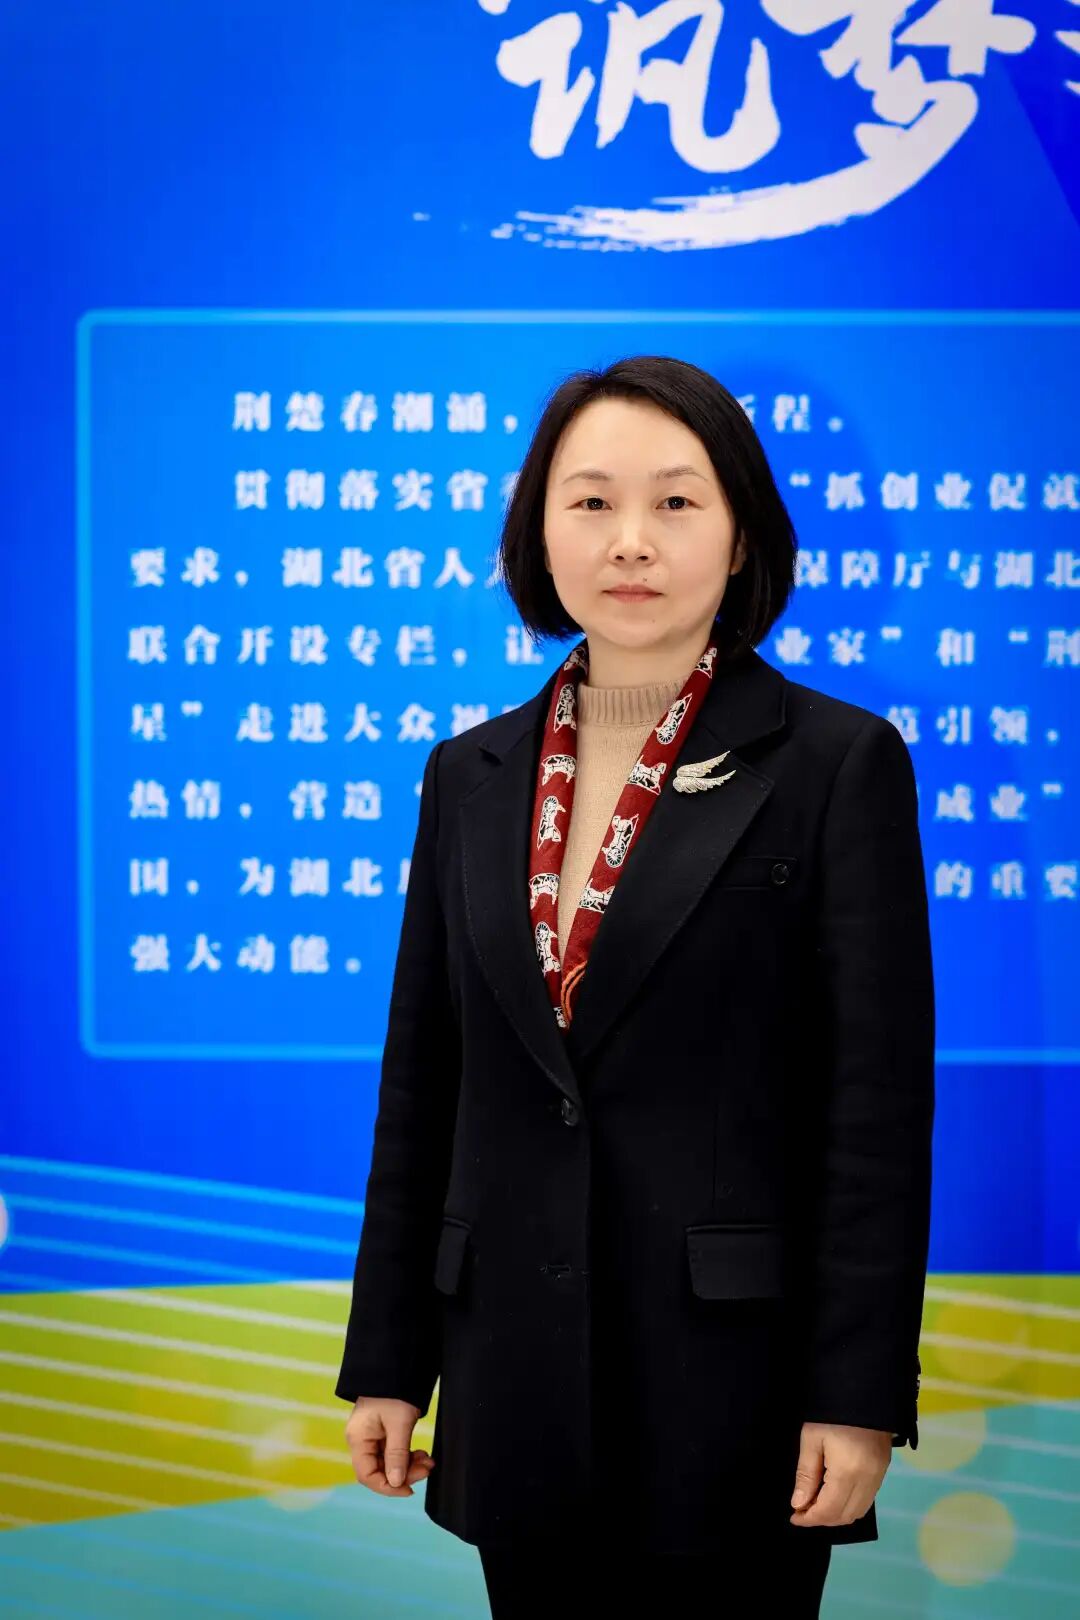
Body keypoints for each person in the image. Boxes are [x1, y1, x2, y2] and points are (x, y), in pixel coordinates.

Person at [335, 355, 935, 1618]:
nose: (631, 542)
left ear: (741, 534)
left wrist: (858, 1394)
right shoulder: (467, 775)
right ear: (538, 532)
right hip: (513, 1370)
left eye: (676, 501)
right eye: (592, 501)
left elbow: (875, 1115)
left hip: (738, 1383)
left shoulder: (837, 764)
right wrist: (387, 1359)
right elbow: (425, 1080)